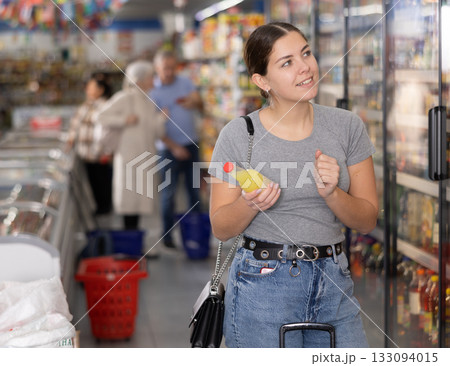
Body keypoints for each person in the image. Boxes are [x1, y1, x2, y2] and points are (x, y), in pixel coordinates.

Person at [208, 22, 378, 348]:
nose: (305, 67)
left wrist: (333, 194)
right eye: (287, 62)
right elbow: (221, 227)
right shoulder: (239, 136)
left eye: (306, 54)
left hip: (334, 282)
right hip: (262, 285)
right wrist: (249, 203)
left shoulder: (347, 127)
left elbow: (367, 219)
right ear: (262, 81)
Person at [94, 61, 167, 230]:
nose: (153, 80)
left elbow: (155, 132)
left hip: (146, 158)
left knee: (142, 204)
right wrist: (124, 120)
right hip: (128, 159)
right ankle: (129, 245)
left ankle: (139, 246)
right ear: (139, 80)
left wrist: (161, 119)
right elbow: (100, 117)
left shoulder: (149, 101)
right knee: (130, 204)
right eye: (150, 77)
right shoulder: (124, 98)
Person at [150, 49, 203, 248]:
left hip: (192, 144)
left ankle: (196, 234)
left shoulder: (185, 82)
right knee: (168, 195)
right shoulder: (152, 92)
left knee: (194, 193)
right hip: (167, 149)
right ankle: (167, 237)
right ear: (157, 69)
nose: (170, 72)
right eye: (166, 69)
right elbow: (154, 128)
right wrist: (174, 147)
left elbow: (199, 101)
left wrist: (194, 101)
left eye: (173, 68)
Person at [67, 74, 113, 215]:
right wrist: (70, 139)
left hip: (99, 153)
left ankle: (105, 207)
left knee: (102, 181)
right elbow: (75, 124)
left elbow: (108, 130)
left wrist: (107, 151)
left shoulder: (106, 106)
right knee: (93, 181)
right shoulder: (86, 105)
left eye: (91, 87)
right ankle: (100, 206)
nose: (87, 89)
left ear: (100, 89)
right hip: (86, 152)